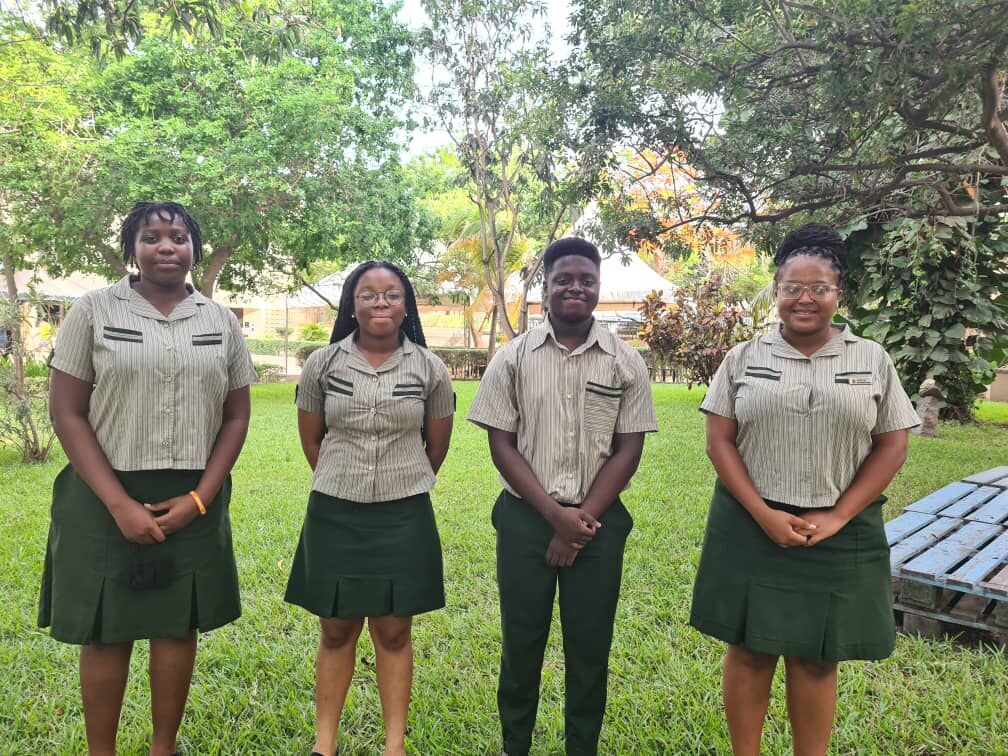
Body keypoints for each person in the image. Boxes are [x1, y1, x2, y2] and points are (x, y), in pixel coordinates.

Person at [689, 223, 921, 756]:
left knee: (818, 655)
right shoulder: (744, 358)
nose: (805, 299)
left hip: (838, 528)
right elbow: (719, 442)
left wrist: (839, 516)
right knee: (748, 650)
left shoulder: (872, 359)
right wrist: (763, 512)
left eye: (819, 287)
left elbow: (892, 446)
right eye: (792, 287)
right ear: (776, 291)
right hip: (750, 525)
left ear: (840, 293)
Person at [39, 201, 256, 756]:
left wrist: (200, 499)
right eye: (152, 237)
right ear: (131, 248)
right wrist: (118, 504)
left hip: (191, 494)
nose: (167, 246)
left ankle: (164, 747)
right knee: (106, 630)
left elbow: (236, 417)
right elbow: (67, 412)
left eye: (178, 237)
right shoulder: (91, 311)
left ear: (194, 249)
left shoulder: (220, 321)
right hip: (101, 494)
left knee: (175, 625)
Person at [467, 237, 658, 756]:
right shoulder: (513, 358)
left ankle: (582, 748)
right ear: (545, 285)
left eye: (587, 280)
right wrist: (555, 518)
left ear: (599, 287)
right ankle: (516, 746)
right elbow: (500, 444)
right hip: (526, 521)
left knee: (590, 648)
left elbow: (628, 450)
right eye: (564, 279)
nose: (576, 287)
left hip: (599, 524)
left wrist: (579, 525)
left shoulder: (626, 362)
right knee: (522, 644)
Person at [285, 261, 454, 756]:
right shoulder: (323, 364)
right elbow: (312, 440)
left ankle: (394, 746)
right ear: (351, 304)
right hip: (335, 511)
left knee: (395, 628)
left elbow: (436, 447)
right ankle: (324, 745)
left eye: (392, 295)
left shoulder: (430, 368)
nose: (380, 303)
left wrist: (399, 479)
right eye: (368, 295)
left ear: (407, 305)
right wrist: (347, 479)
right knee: (336, 628)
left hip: (403, 513)